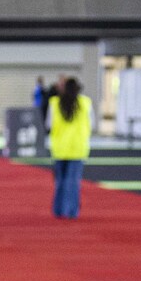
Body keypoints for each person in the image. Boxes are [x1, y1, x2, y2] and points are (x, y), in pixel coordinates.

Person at [47, 74, 91, 219]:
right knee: (73, 183)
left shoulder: (54, 103)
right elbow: (92, 123)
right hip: (78, 147)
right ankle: (72, 211)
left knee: (60, 182)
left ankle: (58, 210)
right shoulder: (85, 103)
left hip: (59, 147)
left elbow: (49, 124)